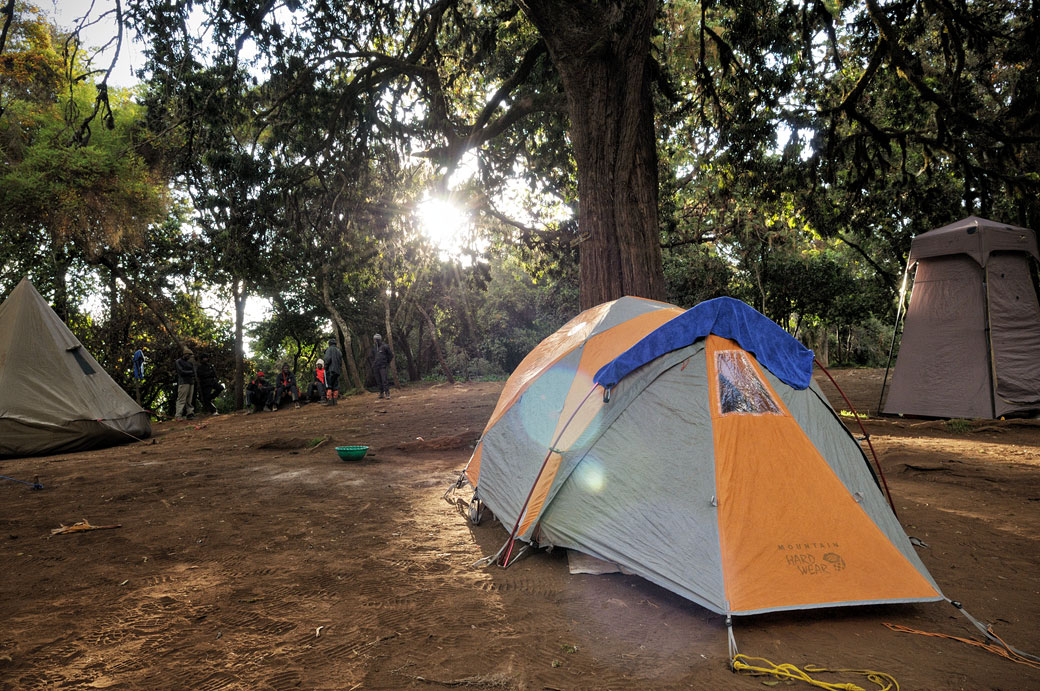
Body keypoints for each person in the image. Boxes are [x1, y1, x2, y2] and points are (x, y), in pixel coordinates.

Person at [174, 348, 196, 420]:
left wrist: (188, 372)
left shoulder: (190, 363)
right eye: (189, 355)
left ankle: (190, 414)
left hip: (191, 382)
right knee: (181, 399)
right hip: (183, 382)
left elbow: (193, 372)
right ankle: (178, 415)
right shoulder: (178, 361)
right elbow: (181, 372)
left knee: (189, 400)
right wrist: (189, 372)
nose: (189, 357)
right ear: (185, 354)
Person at [371, 333, 394, 399]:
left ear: (378, 339)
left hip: (383, 366)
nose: (374, 341)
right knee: (378, 380)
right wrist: (373, 364)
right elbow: (373, 357)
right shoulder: (374, 348)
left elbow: (391, 355)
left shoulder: (385, 346)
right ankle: (381, 393)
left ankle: (387, 393)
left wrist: (386, 362)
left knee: (384, 380)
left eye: (375, 339)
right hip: (376, 367)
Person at [322, 338, 343, 405]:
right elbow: (340, 361)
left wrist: (325, 367)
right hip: (337, 371)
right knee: (335, 385)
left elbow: (327, 359)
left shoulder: (329, 350)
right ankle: (335, 400)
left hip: (330, 370)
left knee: (329, 385)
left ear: (329, 344)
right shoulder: (338, 350)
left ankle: (330, 400)